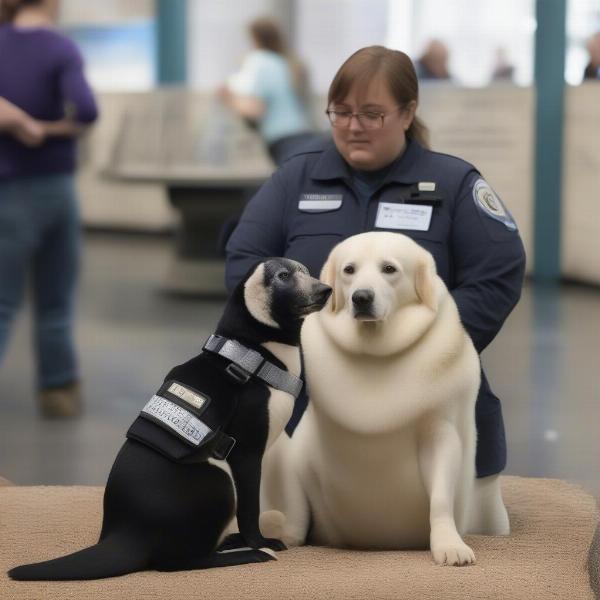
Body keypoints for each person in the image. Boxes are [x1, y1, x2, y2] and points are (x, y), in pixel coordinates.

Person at [225, 46, 526, 484]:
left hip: (427, 397)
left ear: (407, 113)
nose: (352, 127)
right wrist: (304, 339)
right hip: (312, 397)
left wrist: (428, 347)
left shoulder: (453, 184)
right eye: (341, 112)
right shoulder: (295, 179)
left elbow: (497, 274)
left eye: (371, 114)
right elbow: (246, 267)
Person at [0, 0, 98, 417]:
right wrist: (49, 128)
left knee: (3, 303)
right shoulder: (61, 49)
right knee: (56, 301)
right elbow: (87, 110)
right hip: (57, 188)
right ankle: (57, 392)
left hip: (8, 190)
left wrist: (21, 122)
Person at [218, 16, 315, 166]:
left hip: (283, 139)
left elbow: (255, 109)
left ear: (254, 38)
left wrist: (228, 98)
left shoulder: (260, 61)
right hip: (303, 134)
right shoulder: (285, 61)